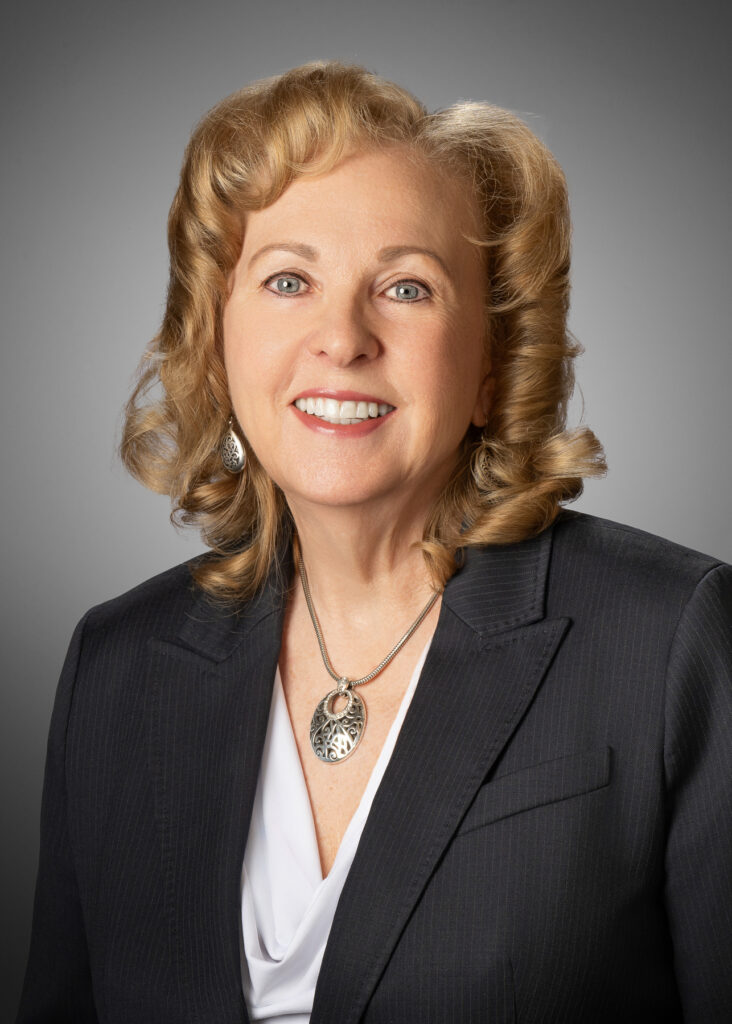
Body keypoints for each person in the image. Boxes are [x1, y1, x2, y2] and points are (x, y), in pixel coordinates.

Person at [16, 60, 732, 1024]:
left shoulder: (671, 639)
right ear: (217, 345)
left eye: (405, 287)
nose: (341, 337)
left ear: (492, 361)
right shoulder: (116, 664)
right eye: (287, 279)